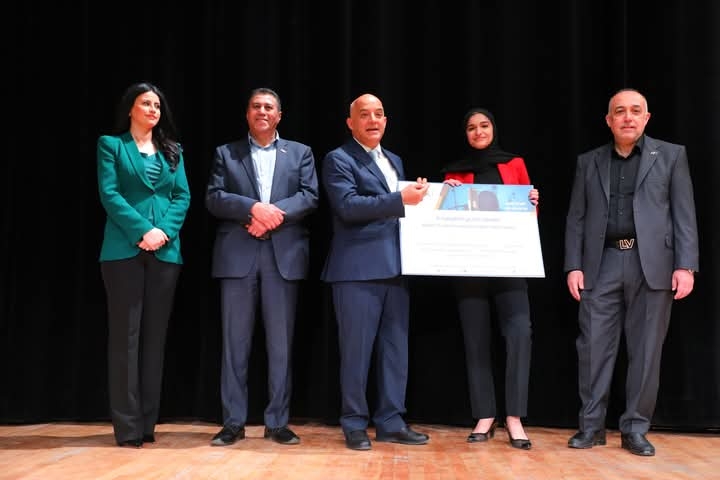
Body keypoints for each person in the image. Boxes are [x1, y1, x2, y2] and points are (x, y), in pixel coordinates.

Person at [564, 88, 699, 456]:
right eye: (620, 111)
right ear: (609, 120)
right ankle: (591, 427)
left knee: (646, 351)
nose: (628, 117)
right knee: (593, 348)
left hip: (651, 264)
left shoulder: (671, 156)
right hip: (601, 263)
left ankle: (635, 429)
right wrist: (573, 265)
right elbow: (576, 218)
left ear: (646, 118)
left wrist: (686, 265)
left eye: (635, 111)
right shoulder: (589, 162)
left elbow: (684, 214)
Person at [206, 87, 319, 446]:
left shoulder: (300, 152)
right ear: (247, 114)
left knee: (280, 345)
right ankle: (233, 422)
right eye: (256, 106)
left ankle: (277, 422)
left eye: (269, 107)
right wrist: (252, 209)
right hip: (238, 256)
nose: (262, 111)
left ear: (279, 115)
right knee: (234, 345)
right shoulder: (227, 152)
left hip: (282, 257)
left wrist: (271, 216)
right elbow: (214, 197)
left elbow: (310, 196)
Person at [321, 93, 431, 451]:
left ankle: (391, 422)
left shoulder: (394, 160)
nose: (373, 120)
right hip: (356, 270)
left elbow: (406, 208)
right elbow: (348, 206)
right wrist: (401, 200)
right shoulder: (338, 159)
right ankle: (354, 423)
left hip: (396, 267)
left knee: (395, 350)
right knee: (356, 352)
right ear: (350, 123)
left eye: (379, 114)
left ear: (386, 121)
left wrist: (438, 195)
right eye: (364, 114)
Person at [97, 82, 191, 448]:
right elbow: (110, 194)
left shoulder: (173, 150)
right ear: (131, 109)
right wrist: (142, 230)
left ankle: (147, 423)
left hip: (165, 252)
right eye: (146, 103)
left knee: (154, 339)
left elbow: (181, 196)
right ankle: (127, 427)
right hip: (123, 251)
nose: (153, 109)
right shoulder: (112, 145)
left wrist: (162, 232)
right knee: (126, 339)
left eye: (157, 105)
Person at [440, 108, 538, 450]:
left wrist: (533, 202)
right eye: (471, 127)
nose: (478, 132)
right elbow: (443, 220)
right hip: (470, 267)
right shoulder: (454, 171)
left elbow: (528, 215)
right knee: (475, 339)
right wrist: (443, 195)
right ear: (465, 134)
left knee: (519, 334)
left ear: (494, 129)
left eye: (484, 126)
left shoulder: (514, 164)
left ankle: (514, 417)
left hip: (510, 264)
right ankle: (484, 415)